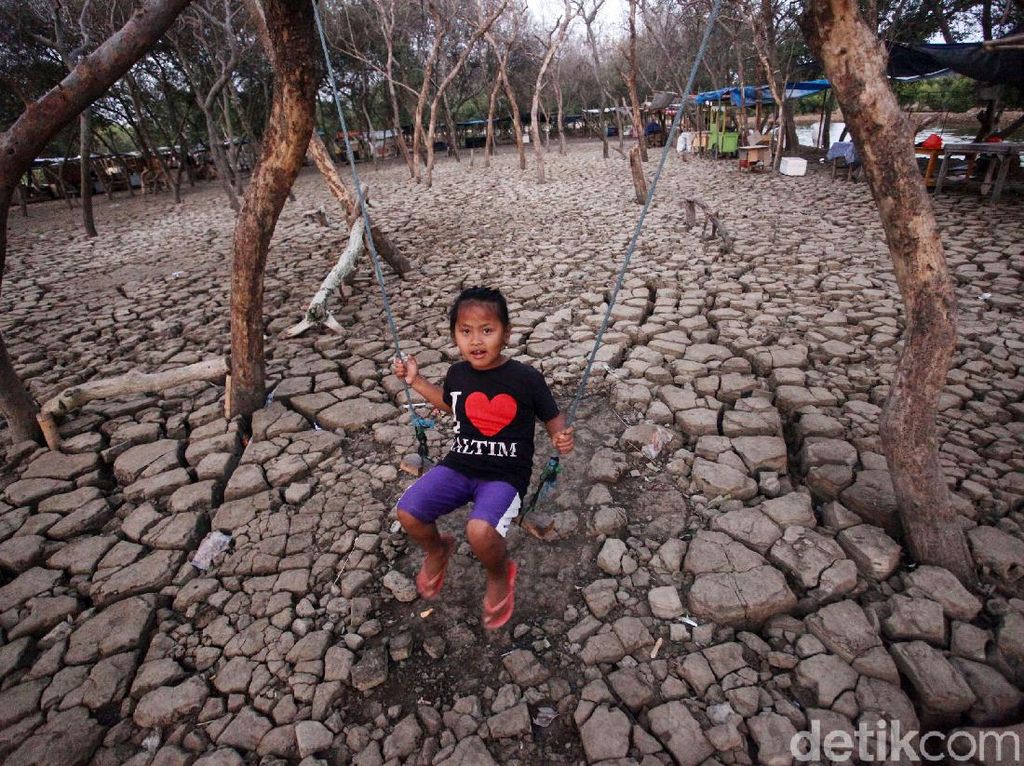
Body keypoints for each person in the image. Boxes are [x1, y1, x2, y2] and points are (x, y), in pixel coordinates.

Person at [392, 286, 574, 629]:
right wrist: (415, 381)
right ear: (454, 336)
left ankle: (499, 571)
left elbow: (552, 414)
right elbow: (450, 405)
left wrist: (559, 435)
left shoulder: (525, 378)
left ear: (506, 333)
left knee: (480, 531)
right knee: (409, 512)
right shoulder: (458, 374)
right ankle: (437, 550)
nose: (476, 341)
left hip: (505, 475)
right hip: (459, 464)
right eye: (466, 332)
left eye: (487, 331)